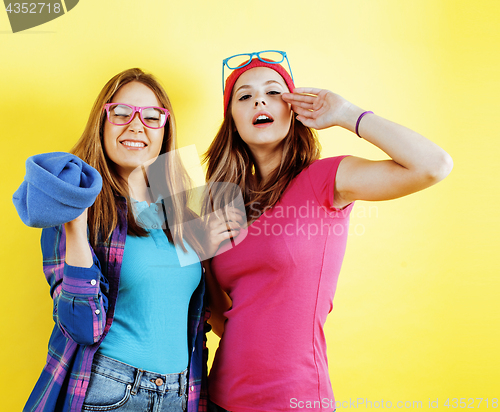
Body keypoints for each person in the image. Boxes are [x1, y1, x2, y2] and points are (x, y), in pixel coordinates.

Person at [203, 51, 453, 412]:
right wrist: (201, 257)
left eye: (274, 92)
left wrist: (348, 114)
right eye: (244, 96)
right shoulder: (223, 203)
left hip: (294, 399)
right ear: (234, 121)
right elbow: (225, 319)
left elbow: (433, 165)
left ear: (294, 108)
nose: (259, 99)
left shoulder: (325, 180)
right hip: (220, 396)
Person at [22, 68, 208, 412]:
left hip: (182, 394)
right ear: (102, 122)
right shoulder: (76, 200)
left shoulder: (186, 200)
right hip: (112, 392)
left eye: (152, 117)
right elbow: (82, 328)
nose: (136, 126)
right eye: (121, 113)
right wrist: (76, 227)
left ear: (165, 129)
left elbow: (204, 312)